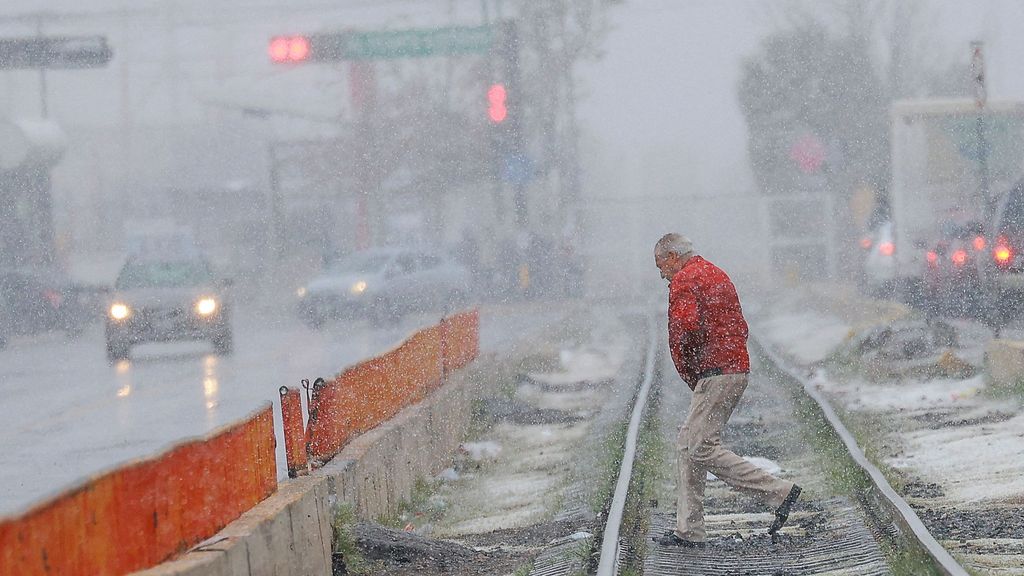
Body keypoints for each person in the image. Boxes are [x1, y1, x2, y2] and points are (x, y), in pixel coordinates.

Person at [653, 233, 801, 548]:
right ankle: (688, 530)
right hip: (732, 367)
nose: (661, 274)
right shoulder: (714, 272)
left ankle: (778, 492)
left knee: (701, 447)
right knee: (686, 444)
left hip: (716, 372)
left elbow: (686, 329)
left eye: (661, 265)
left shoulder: (685, 281)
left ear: (673, 256)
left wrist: (692, 368)